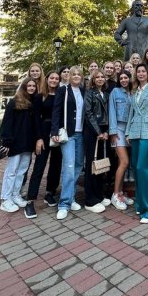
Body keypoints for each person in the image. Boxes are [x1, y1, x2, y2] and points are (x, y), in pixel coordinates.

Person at [125, 63, 148, 223]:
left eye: (143, 71)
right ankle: (140, 205)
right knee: (136, 169)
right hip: (134, 132)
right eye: (138, 71)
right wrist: (127, 132)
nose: (140, 73)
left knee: (143, 169)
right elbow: (131, 113)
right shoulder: (134, 91)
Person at [0, 78, 42, 213]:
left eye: (33, 86)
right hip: (15, 142)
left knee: (22, 171)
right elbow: (7, 122)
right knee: (11, 171)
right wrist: (6, 140)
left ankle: (15, 194)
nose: (31, 88)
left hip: (28, 143)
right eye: (29, 85)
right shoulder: (14, 102)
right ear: (24, 87)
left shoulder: (33, 103)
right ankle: (5, 199)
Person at [24, 72, 63, 219]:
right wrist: (39, 138)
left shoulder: (61, 95)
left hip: (58, 133)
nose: (54, 80)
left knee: (56, 165)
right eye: (52, 78)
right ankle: (30, 200)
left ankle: (50, 192)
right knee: (39, 166)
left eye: (57, 79)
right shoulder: (40, 96)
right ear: (47, 80)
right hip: (44, 131)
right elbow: (36, 119)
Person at [51, 66, 87, 220]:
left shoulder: (84, 91)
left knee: (78, 165)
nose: (76, 76)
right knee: (69, 167)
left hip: (82, 134)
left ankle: (71, 198)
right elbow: (56, 111)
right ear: (69, 76)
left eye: (79, 74)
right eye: (74, 74)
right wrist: (54, 131)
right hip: (68, 134)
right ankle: (64, 204)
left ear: (82, 77)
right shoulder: (63, 90)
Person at [83, 69, 110, 213]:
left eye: (102, 77)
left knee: (100, 165)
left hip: (103, 133)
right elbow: (88, 113)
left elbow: (108, 114)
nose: (100, 79)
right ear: (93, 80)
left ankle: (99, 195)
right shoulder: (89, 93)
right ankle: (90, 200)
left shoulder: (106, 94)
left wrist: (106, 131)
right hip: (92, 133)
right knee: (91, 165)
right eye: (97, 77)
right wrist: (98, 132)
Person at [108, 70, 135, 210]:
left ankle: (120, 193)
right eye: (121, 78)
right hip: (118, 129)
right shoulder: (115, 92)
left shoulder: (133, 92)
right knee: (125, 162)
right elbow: (112, 111)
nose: (124, 80)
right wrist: (112, 131)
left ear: (130, 79)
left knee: (121, 164)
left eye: (126, 77)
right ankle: (115, 194)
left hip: (129, 130)